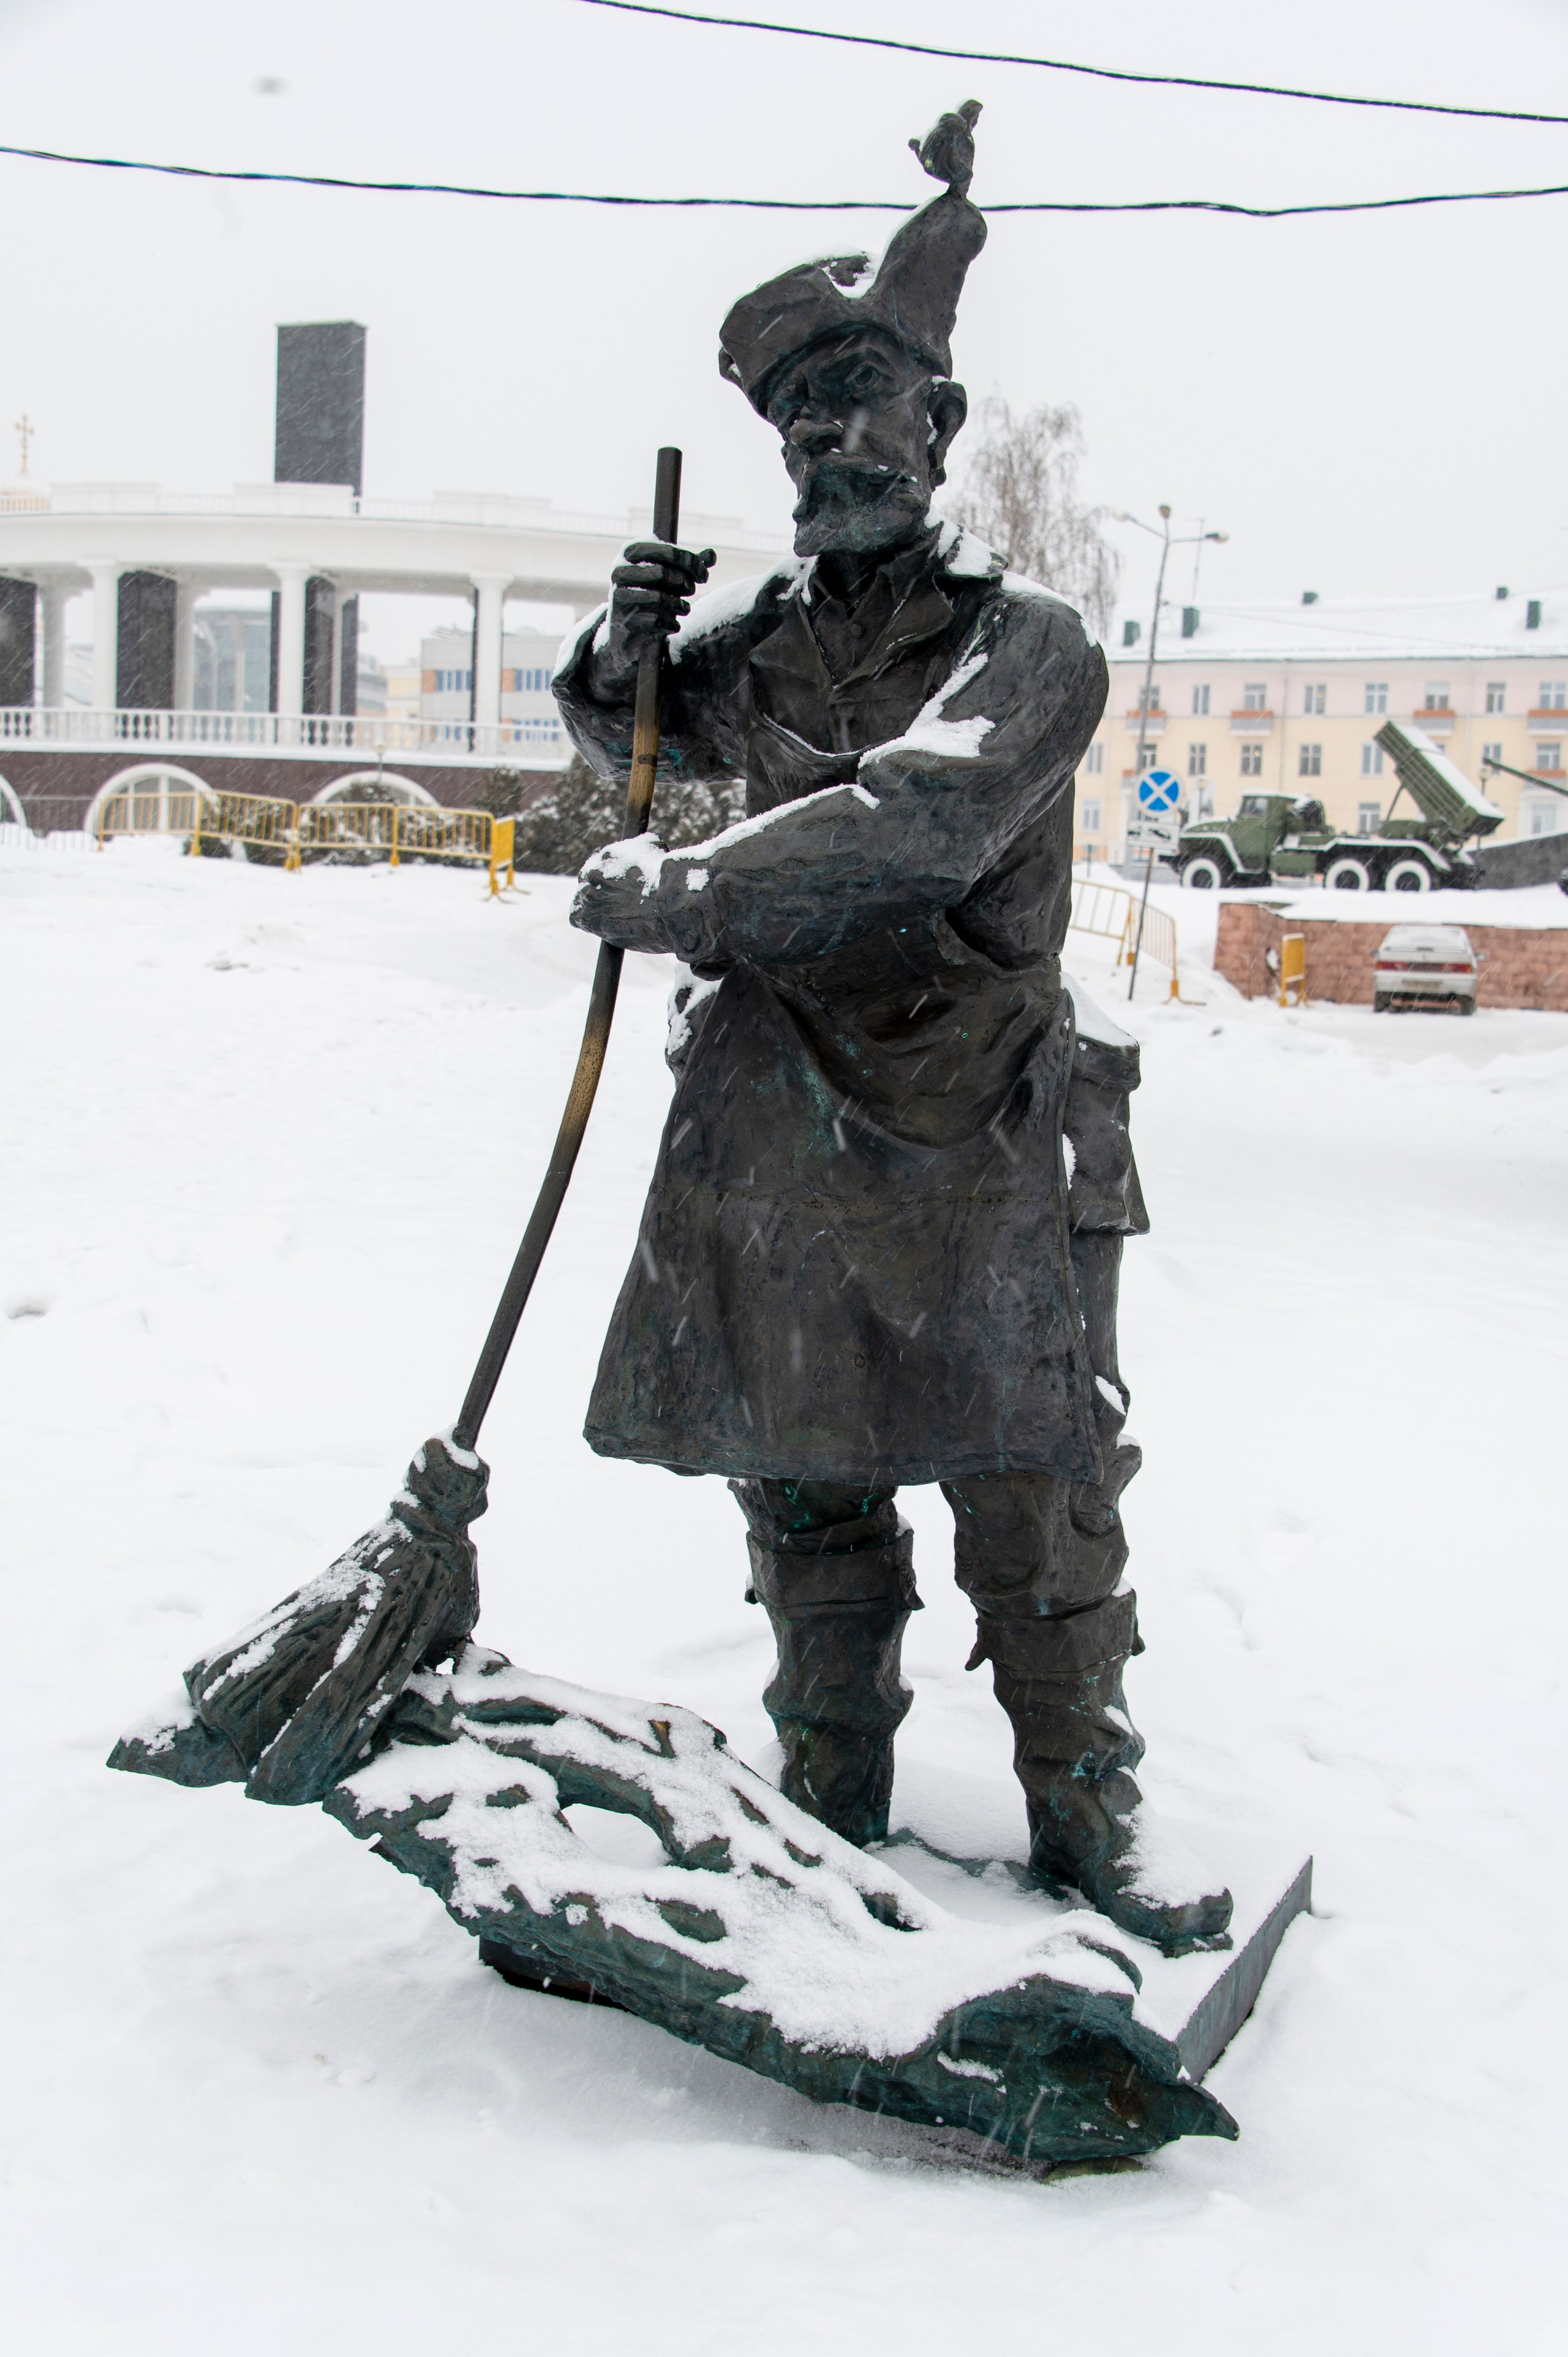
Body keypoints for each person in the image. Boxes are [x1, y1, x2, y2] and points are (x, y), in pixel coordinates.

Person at [556, 104, 1231, 1954]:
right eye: (803, 424)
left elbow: (911, 826)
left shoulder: (1032, 639)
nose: (833, 445)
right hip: (784, 1121)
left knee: (1037, 1487)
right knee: (809, 1474)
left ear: (941, 432)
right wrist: (618, 671)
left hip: (983, 1113)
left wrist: (686, 894)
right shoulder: (765, 643)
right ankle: (827, 1790)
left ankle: (1095, 1821)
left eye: (868, 410)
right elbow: (644, 749)